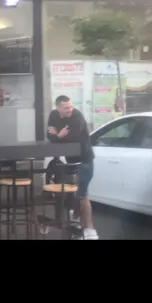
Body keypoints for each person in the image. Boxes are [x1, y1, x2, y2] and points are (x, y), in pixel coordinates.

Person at [47, 95, 99, 240]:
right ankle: (75, 221)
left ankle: (90, 230)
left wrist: (58, 135)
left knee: (82, 195)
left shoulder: (77, 116)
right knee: (73, 195)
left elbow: (73, 138)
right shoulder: (53, 116)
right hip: (69, 162)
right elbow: (49, 135)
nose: (70, 109)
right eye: (66, 107)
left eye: (71, 106)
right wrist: (59, 136)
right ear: (58, 108)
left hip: (84, 161)